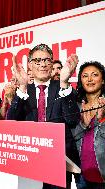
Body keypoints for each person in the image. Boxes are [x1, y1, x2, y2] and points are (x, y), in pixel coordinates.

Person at [7, 43, 80, 189]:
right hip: (30, 161)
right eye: (37, 61)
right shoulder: (23, 91)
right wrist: (22, 87)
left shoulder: (63, 87)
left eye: (47, 60)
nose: (43, 64)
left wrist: (65, 83)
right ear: (30, 65)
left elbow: (72, 120)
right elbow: (11, 123)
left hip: (60, 162)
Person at [72, 61, 105, 188]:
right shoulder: (76, 107)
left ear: (103, 80)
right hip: (82, 178)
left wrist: (102, 120)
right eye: (85, 76)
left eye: (94, 75)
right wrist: (83, 125)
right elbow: (72, 140)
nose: (89, 79)